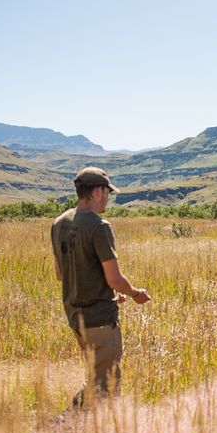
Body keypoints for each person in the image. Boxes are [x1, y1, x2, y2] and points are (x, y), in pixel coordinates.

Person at [51, 166, 150, 408]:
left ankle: (68, 425)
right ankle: (76, 429)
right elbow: (114, 278)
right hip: (100, 320)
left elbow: (60, 274)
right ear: (97, 191)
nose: (108, 198)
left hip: (75, 317)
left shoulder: (59, 223)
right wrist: (135, 293)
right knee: (107, 386)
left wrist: (110, 291)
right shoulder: (99, 226)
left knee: (95, 379)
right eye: (107, 192)